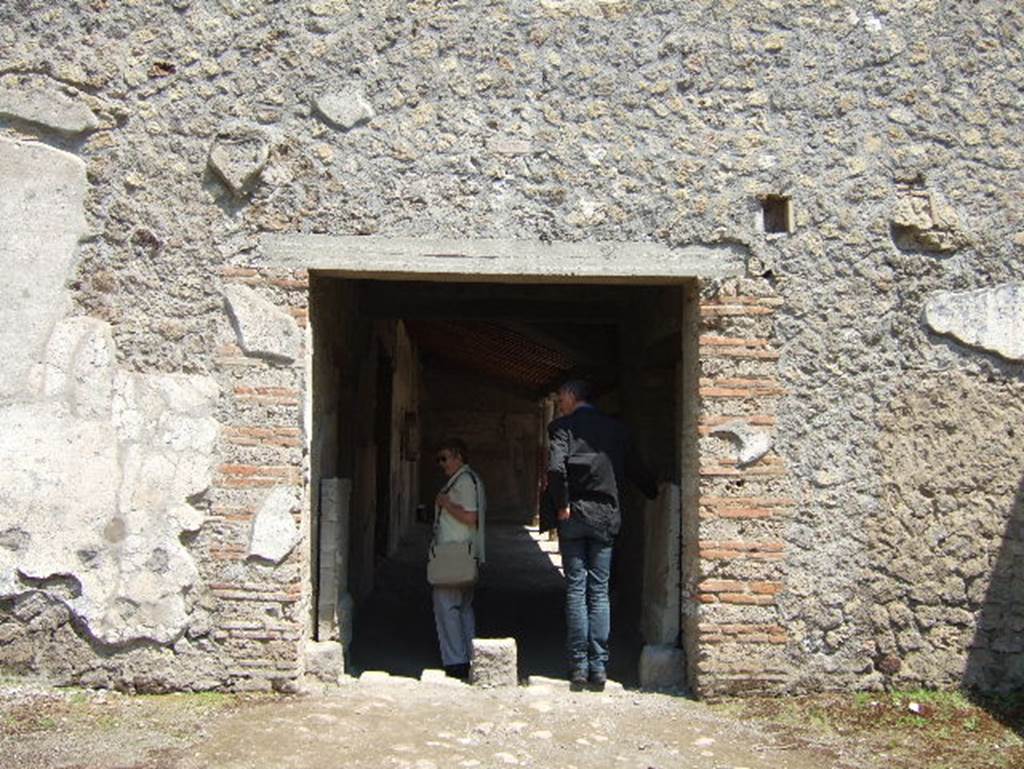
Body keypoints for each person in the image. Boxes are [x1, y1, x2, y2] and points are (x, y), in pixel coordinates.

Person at [546, 379, 657, 689]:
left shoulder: (561, 428)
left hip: (574, 516)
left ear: (571, 396)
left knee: (576, 591)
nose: (560, 402)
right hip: (606, 517)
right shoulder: (617, 430)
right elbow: (635, 468)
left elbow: (556, 469)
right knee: (599, 592)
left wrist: (561, 504)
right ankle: (599, 667)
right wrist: (654, 491)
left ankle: (578, 667)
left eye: (561, 397)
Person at [431, 438, 486, 679]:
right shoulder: (469, 479)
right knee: (463, 607)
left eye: (444, 458)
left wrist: (446, 504)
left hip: (455, 553)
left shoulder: (464, 483)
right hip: (463, 552)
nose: (441, 464)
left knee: (447, 606)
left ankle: (456, 661)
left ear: (458, 457)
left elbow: (470, 517)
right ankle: (468, 656)